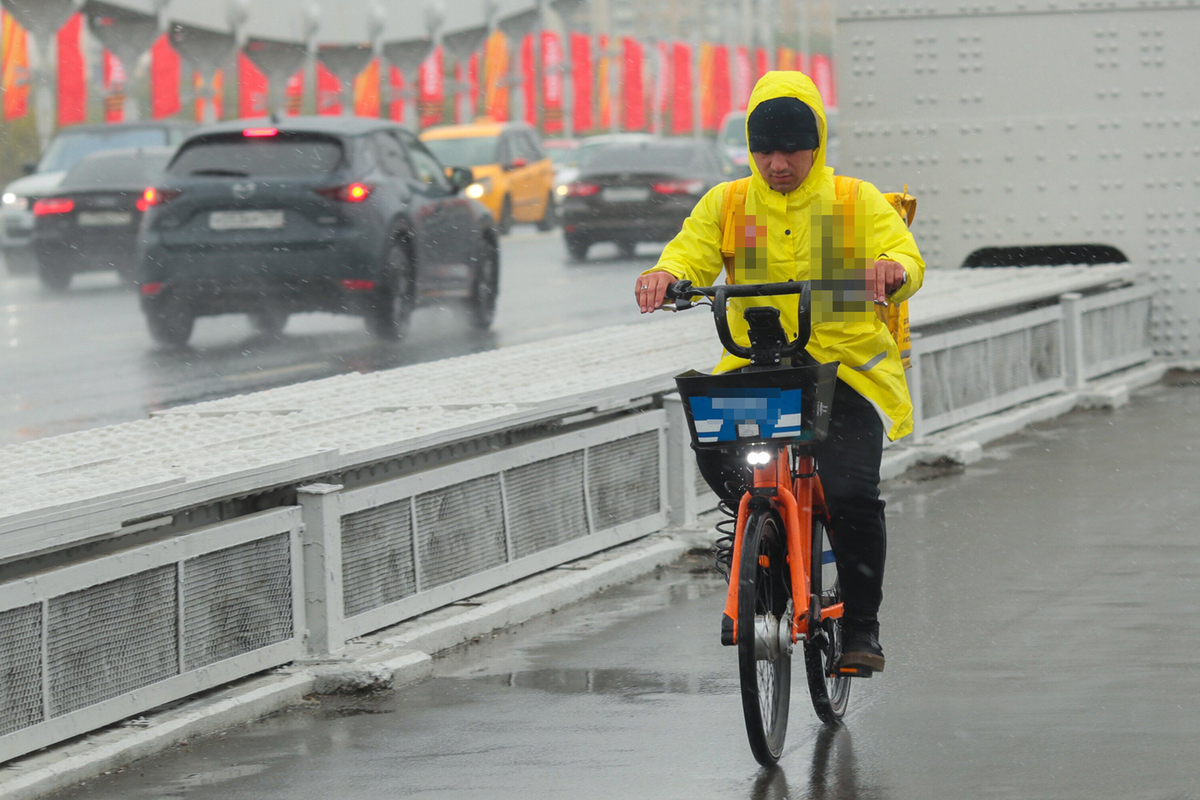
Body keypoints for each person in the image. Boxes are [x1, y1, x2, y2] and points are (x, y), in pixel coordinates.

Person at [633, 71, 924, 672]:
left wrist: (891, 271)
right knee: (721, 453)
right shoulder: (728, 202)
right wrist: (665, 275)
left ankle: (861, 630)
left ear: (816, 143)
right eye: (764, 150)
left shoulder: (855, 199)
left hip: (847, 373)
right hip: (758, 367)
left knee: (850, 495)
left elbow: (905, 257)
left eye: (791, 149)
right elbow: (690, 250)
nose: (777, 163)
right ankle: (763, 548)